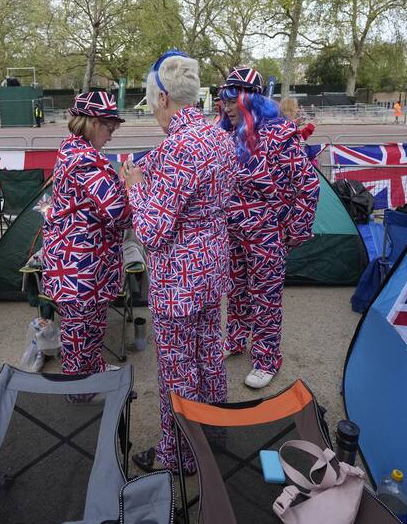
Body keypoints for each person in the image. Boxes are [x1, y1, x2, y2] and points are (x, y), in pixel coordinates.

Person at [121, 50, 236, 475]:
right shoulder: (217, 136)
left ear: (164, 98)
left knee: (177, 370)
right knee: (209, 355)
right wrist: (148, 169)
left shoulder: (179, 148)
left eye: (151, 102)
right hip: (211, 266)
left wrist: (135, 186)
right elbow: (184, 174)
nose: (152, 110)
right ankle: (215, 433)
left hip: (178, 279)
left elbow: (151, 230)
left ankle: (178, 455)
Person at [218, 66, 320, 389]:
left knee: (265, 297)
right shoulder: (225, 135)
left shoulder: (279, 136)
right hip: (233, 232)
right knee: (236, 291)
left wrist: (291, 231)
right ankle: (235, 340)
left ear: (251, 101)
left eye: (234, 99)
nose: (228, 106)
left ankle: (266, 359)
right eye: (224, 99)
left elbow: (307, 185)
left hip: (265, 235)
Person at [40, 92, 130, 375]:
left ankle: (94, 370)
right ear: (91, 122)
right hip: (81, 265)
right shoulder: (86, 160)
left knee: (88, 326)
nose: (112, 135)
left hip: (81, 261)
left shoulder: (71, 149)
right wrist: (134, 188)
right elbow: (118, 212)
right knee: (81, 332)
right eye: (109, 127)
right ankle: (79, 389)